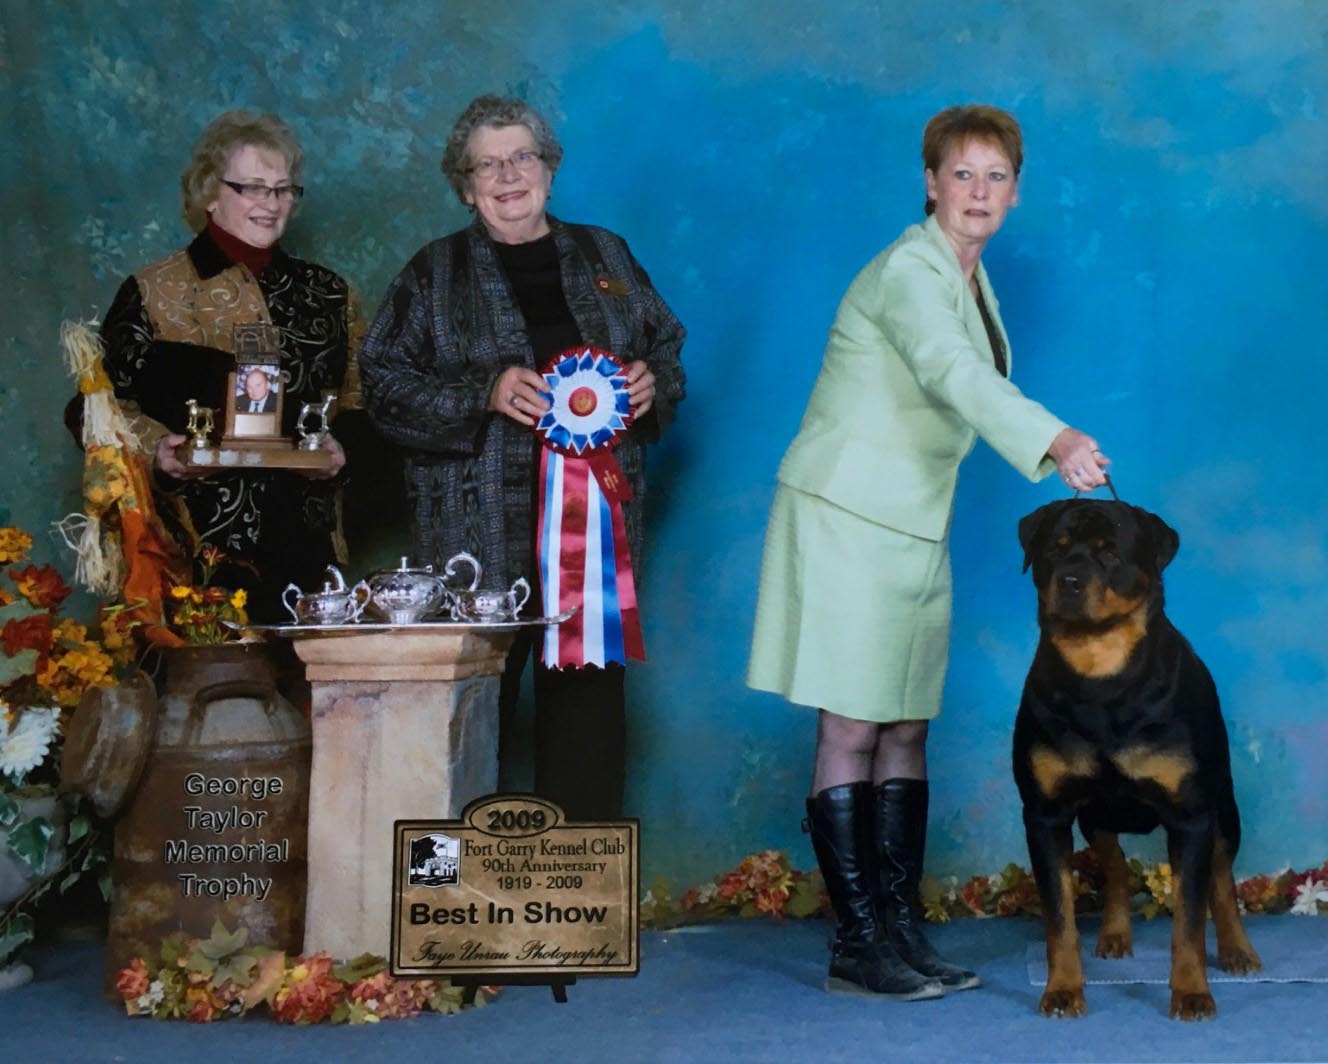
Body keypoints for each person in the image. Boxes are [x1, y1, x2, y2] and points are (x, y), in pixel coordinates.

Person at [747, 105, 1111, 1000]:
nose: (979, 191)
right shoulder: (910, 271)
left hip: (911, 520)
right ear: (931, 182)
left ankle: (902, 933)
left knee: (906, 723)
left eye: (996, 177)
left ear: (1015, 192)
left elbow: (968, 376)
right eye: (963, 174)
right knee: (852, 725)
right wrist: (1055, 438)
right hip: (848, 513)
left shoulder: (968, 275)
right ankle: (858, 944)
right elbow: (956, 374)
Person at [360, 95, 685, 821]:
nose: (509, 175)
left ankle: (579, 892)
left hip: (594, 530)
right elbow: (380, 387)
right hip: (472, 534)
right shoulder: (432, 273)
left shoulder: (607, 254)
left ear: (549, 167)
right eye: (489, 164)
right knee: (472, 705)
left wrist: (646, 382)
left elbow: (664, 345)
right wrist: (486, 390)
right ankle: (450, 897)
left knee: (588, 703)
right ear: (466, 184)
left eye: (523, 157)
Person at [88, 110, 367, 623]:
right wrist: (159, 450)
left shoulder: (330, 294)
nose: (271, 204)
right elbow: (100, 408)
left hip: (306, 546)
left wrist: (340, 449)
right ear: (209, 193)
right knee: (201, 697)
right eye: (253, 188)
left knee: (310, 700)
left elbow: (355, 400)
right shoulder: (152, 292)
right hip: (189, 549)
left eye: (284, 190)